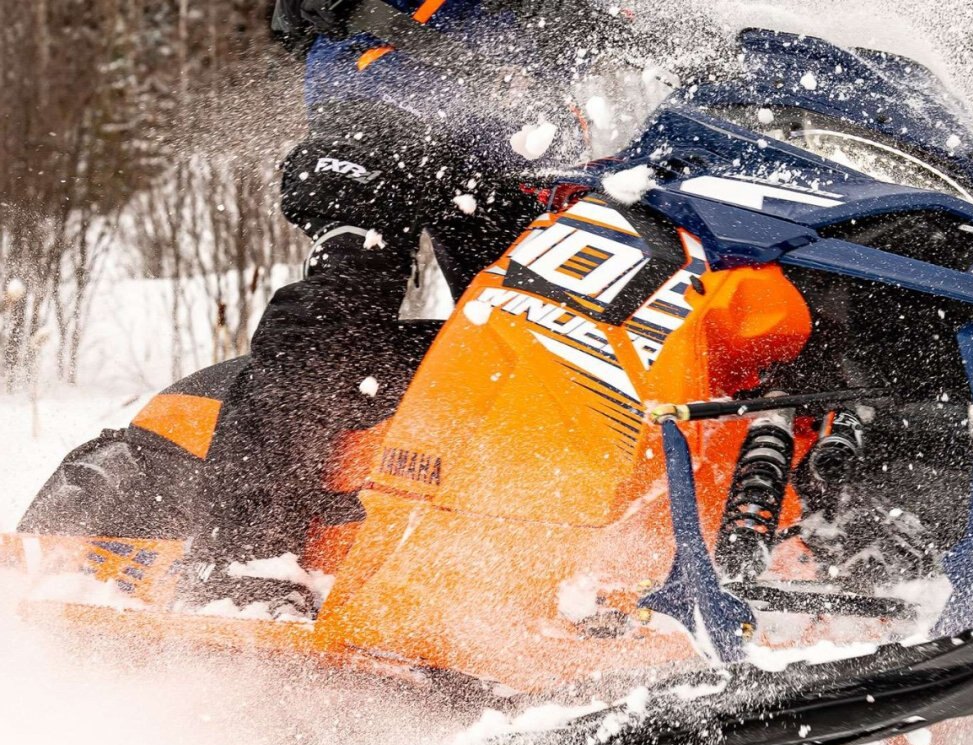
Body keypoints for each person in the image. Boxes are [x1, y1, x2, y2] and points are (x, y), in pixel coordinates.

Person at [182, 0, 637, 609]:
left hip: (531, 145)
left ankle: (567, 549)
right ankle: (243, 558)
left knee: (557, 328)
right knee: (340, 306)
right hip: (376, 108)